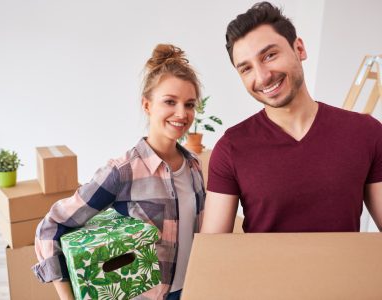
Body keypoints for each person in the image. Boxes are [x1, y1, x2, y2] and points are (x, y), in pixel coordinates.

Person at [33, 44, 206, 300]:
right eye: (170, 101)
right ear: (147, 105)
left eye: (189, 104)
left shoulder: (193, 166)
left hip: (191, 290)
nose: (182, 113)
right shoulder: (123, 171)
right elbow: (51, 226)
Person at [201, 2, 382, 234]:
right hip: (262, 272)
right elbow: (215, 252)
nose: (262, 77)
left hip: (345, 271)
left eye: (269, 55)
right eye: (246, 69)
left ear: (299, 49)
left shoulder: (365, 132)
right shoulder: (230, 148)